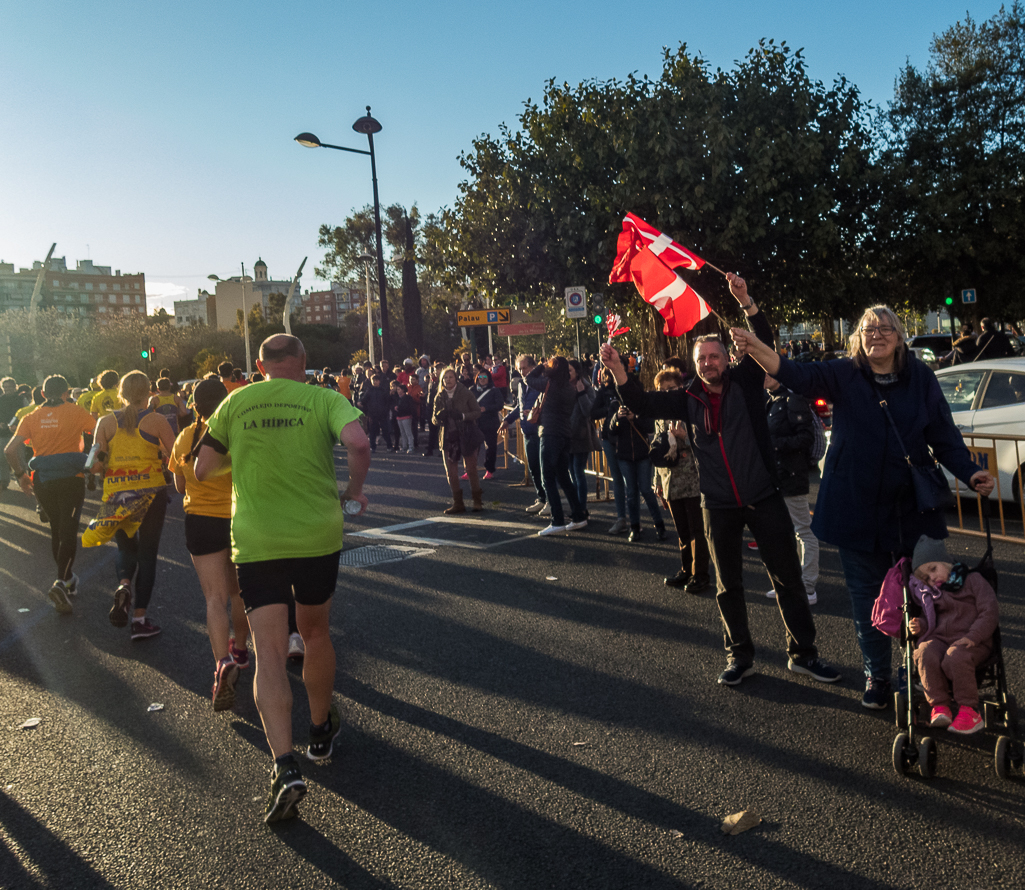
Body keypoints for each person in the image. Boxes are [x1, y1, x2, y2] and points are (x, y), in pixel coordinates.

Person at [730, 304, 994, 707]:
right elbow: (793, 373)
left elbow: (943, 434)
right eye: (868, 329)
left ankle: (914, 673)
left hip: (911, 510)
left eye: (885, 328)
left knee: (922, 596)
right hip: (854, 508)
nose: (876, 334)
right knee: (868, 599)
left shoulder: (921, 378)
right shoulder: (844, 373)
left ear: (900, 336)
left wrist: (970, 472)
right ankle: (878, 675)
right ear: (858, 338)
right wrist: (754, 346)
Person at [601, 273, 840, 687]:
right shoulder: (687, 397)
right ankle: (739, 656)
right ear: (694, 365)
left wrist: (747, 302)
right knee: (728, 586)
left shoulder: (746, 383)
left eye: (715, 356)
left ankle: (804, 654)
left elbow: (763, 341)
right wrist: (619, 370)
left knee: (787, 578)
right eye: (702, 359)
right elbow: (639, 402)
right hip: (718, 503)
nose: (709, 363)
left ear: (727, 359)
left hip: (762, 495)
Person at [195, 333, 370, 823]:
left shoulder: (235, 402)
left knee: (268, 651)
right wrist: (354, 492)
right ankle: (319, 731)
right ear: (303, 361)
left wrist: (247, 455)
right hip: (316, 534)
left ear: (259, 364)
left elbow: (203, 467)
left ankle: (284, 765)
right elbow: (358, 441)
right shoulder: (322, 397)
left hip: (257, 539)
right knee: (314, 633)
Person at [168, 378, 251, 711]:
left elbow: (177, 484)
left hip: (200, 520)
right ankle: (241, 650)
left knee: (214, 598)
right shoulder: (237, 434)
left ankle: (221, 661)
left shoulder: (184, 438)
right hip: (237, 517)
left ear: (193, 405)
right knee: (239, 592)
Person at [84, 370, 176, 640]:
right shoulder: (157, 420)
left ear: (120, 393)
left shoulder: (104, 422)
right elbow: (175, 456)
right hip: (150, 494)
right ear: (149, 392)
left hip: (117, 495)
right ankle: (139, 619)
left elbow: (92, 463)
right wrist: (160, 460)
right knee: (147, 554)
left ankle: (124, 584)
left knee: (125, 546)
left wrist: (106, 466)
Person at [5, 375, 95, 612]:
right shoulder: (76, 411)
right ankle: (61, 582)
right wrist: (94, 463)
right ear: (66, 393)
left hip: (43, 480)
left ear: (43, 395)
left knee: (57, 528)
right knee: (69, 530)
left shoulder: (31, 416)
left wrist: (20, 475)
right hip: (70, 478)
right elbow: (100, 434)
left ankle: (67, 580)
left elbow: (10, 449)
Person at [910, 535, 998, 735]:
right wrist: (920, 626)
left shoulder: (973, 580)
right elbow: (929, 618)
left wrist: (974, 635)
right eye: (926, 578)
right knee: (924, 652)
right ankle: (940, 706)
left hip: (974, 639)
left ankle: (969, 711)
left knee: (956, 655)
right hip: (942, 639)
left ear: (946, 562)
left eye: (933, 569)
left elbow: (989, 611)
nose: (932, 578)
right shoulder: (933, 593)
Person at [763, 372, 819, 605]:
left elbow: (805, 437)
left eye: (766, 372)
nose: (763, 377)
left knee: (803, 530)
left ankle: (808, 586)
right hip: (776, 475)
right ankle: (791, 583)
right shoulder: (771, 400)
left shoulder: (792, 399)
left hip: (792, 474)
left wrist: (776, 445)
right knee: (786, 532)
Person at [653, 369, 710, 592]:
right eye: (662, 390)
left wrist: (684, 437)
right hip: (671, 480)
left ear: (680, 387)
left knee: (698, 530)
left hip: (693, 479)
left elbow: (705, 438)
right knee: (682, 530)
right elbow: (658, 449)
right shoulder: (660, 414)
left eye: (671, 388)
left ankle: (700, 574)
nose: (667, 393)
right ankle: (686, 570)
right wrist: (657, 481)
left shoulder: (690, 408)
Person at [524, 356, 588, 536]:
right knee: (563, 477)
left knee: (548, 478)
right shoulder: (570, 388)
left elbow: (527, 378)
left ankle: (557, 520)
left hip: (549, 433)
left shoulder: (549, 383)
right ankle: (578, 516)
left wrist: (540, 366)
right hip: (565, 434)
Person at [606, 376, 666, 542]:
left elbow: (650, 427)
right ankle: (635, 527)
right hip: (624, 456)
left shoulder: (642, 406)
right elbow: (610, 431)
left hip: (642, 454)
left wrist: (636, 418)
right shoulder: (615, 405)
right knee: (631, 493)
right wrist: (616, 419)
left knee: (646, 490)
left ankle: (659, 525)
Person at [433, 368, 485, 514]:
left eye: (450, 377)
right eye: (445, 378)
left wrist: (462, 416)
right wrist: (438, 417)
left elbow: (477, 412)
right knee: (451, 471)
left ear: (456, 378)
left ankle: (477, 501)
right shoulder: (439, 395)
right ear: (442, 380)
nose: (448, 380)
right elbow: (433, 419)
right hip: (449, 437)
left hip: (466, 434)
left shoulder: (466, 392)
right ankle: (458, 503)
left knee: (471, 469)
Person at [499, 355, 546, 513]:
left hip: (540, 431)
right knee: (533, 467)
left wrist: (535, 412)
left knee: (545, 469)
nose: (522, 372)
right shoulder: (521, 384)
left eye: (524, 368)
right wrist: (507, 420)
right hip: (527, 432)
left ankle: (550, 501)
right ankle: (541, 498)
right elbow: (519, 404)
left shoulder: (541, 382)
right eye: (519, 369)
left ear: (533, 367)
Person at [567, 360, 598, 512]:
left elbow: (588, 411)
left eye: (570, 371)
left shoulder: (586, 387)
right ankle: (576, 507)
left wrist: (581, 393)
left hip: (581, 435)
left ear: (577, 372)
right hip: (565, 436)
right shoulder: (562, 387)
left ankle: (581, 508)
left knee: (578, 472)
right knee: (571, 474)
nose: (567, 374)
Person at [473, 368, 505, 480]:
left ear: (489, 378)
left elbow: (500, 404)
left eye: (485, 377)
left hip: (490, 423)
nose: (482, 379)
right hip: (475, 422)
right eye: (480, 377)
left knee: (490, 448)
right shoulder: (472, 390)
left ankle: (489, 470)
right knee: (472, 448)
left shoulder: (494, 390)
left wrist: (486, 408)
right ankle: (470, 470)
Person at [393, 382, 418, 454]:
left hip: (406, 416)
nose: (398, 391)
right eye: (397, 389)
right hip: (399, 417)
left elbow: (409, 407)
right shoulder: (398, 398)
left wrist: (399, 408)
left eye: (399, 389)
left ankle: (411, 447)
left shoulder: (407, 398)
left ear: (403, 390)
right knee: (402, 433)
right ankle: (404, 447)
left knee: (408, 432)